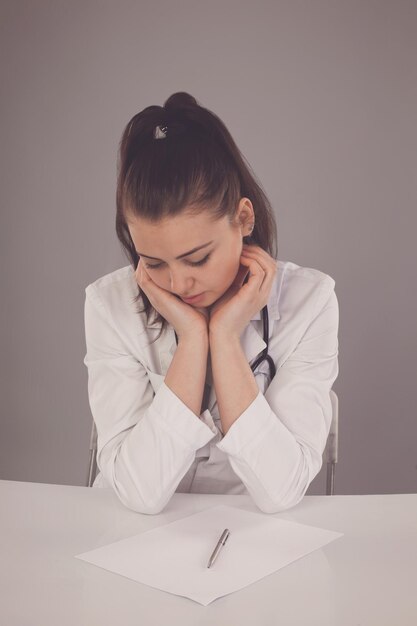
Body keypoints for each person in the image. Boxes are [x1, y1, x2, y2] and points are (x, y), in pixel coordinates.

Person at [83, 92, 339, 515]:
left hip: (243, 532)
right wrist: (192, 339)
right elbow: (138, 494)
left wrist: (223, 336)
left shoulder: (309, 303)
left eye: (197, 258)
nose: (179, 283)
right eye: (153, 262)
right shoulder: (109, 304)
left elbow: (280, 491)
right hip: (126, 534)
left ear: (243, 218)